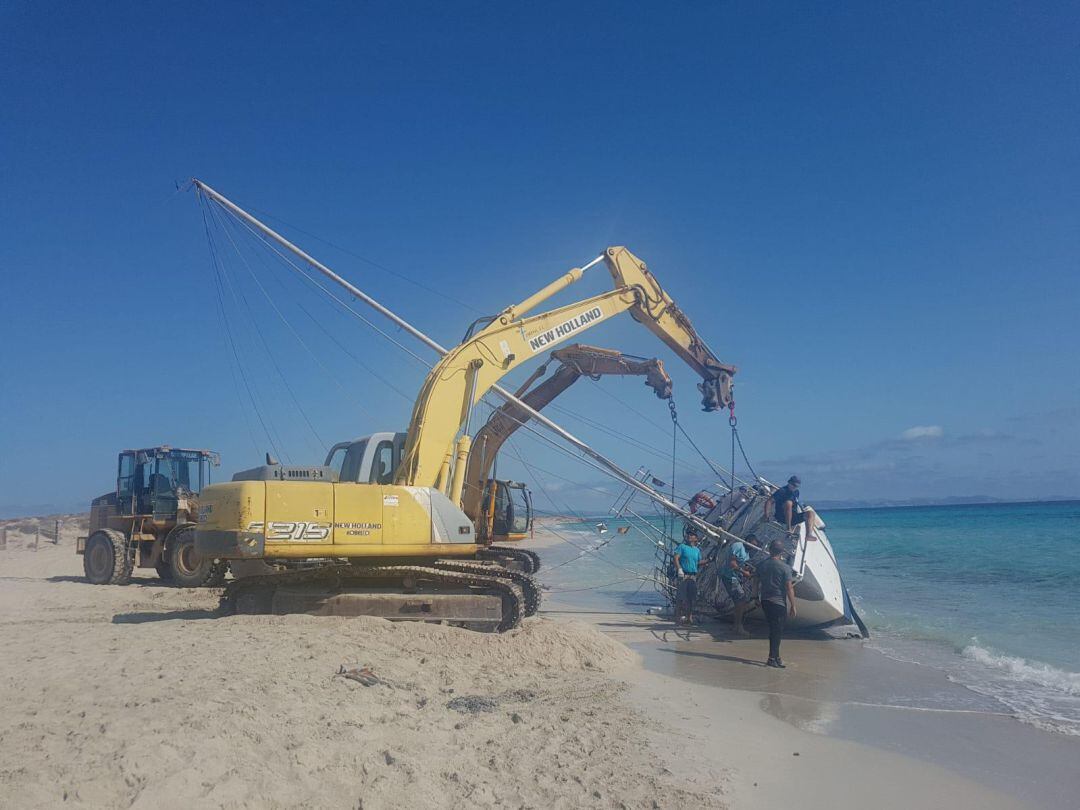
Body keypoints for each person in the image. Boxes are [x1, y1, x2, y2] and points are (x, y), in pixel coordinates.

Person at [756, 539, 796, 668]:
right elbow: (789, 587)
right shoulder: (785, 567)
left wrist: (755, 596)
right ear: (782, 551)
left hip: (765, 601)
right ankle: (771, 658)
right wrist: (793, 605)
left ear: (769, 550)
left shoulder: (762, 565)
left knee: (775, 629)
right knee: (776, 631)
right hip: (778, 602)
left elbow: (755, 581)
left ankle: (776, 657)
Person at [768, 475, 820, 541]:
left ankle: (809, 534)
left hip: (793, 517)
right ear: (789, 483)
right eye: (793, 485)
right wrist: (767, 515)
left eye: (796, 486)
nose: (794, 487)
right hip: (781, 517)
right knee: (788, 503)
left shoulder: (796, 492)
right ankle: (788, 528)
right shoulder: (782, 491)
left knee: (810, 513)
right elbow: (769, 501)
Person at [719, 545, 753, 637]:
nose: (756, 546)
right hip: (730, 577)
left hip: (735, 578)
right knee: (741, 600)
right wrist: (744, 572)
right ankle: (738, 627)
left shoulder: (747, 553)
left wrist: (748, 571)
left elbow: (743, 566)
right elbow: (732, 563)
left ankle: (736, 626)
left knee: (738, 601)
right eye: (755, 543)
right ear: (750, 540)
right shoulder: (738, 546)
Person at [673, 530, 703, 624]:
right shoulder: (682, 547)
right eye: (689, 535)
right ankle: (678, 617)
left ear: (696, 538)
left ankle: (689, 618)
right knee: (681, 597)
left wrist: (708, 561)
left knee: (691, 597)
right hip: (684, 574)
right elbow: (676, 558)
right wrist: (679, 569)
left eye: (692, 535)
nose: (689, 536)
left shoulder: (697, 550)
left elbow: (698, 562)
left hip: (693, 575)